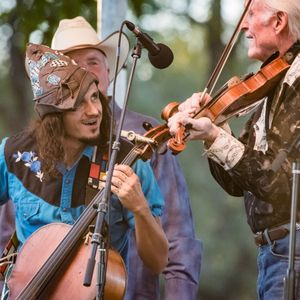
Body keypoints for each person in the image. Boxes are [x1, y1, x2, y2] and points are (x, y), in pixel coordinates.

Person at [48, 16, 202, 299]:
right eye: (73, 65)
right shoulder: (36, 146)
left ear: (108, 71)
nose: (85, 73)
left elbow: (179, 241)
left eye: (92, 62)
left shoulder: (145, 137)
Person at [0, 42, 168, 299]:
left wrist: (140, 208)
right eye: (78, 104)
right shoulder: (13, 153)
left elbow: (157, 262)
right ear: (54, 117)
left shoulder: (126, 161)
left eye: (94, 97)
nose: (94, 111)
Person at [168, 0, 300, 299]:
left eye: (251, 14)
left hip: (293, 252)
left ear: (278, 22)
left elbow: (277, 183)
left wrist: (215, 134)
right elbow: (238, 182)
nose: (243, 25)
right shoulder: (275, 79)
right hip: (276, 253)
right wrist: (215, 132)